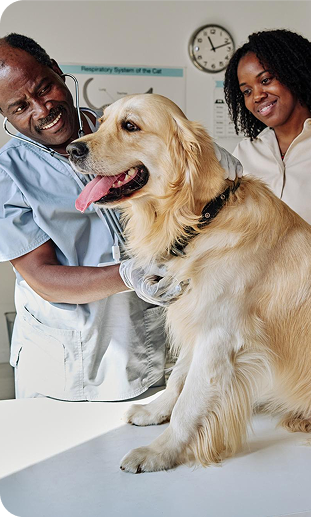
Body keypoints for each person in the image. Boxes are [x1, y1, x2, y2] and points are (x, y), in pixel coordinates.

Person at [0, 33, 241, 401]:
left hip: (155, 349)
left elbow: (196, 183)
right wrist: (130, 274)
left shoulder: (121, 123)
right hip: (68, 367)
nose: (41, 109)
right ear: (5, 115)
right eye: (19, 107)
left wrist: (202, 157)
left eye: (44, 88)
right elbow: (43, 277)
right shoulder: (8, 175)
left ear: (57, 71)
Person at [224, 29, 311, 253]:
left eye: (266, 80)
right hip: (257, 288)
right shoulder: (245, 154)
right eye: (247, 91)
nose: (257, 96)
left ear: (294, 73)